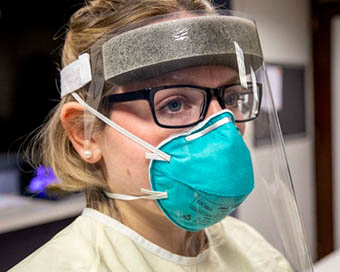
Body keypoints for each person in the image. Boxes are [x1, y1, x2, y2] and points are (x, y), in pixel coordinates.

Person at [10, 0, 312, 271]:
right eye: (175, 104)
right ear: (84, 133)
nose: (223, 129)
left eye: (231, 99)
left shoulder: (254, 251)